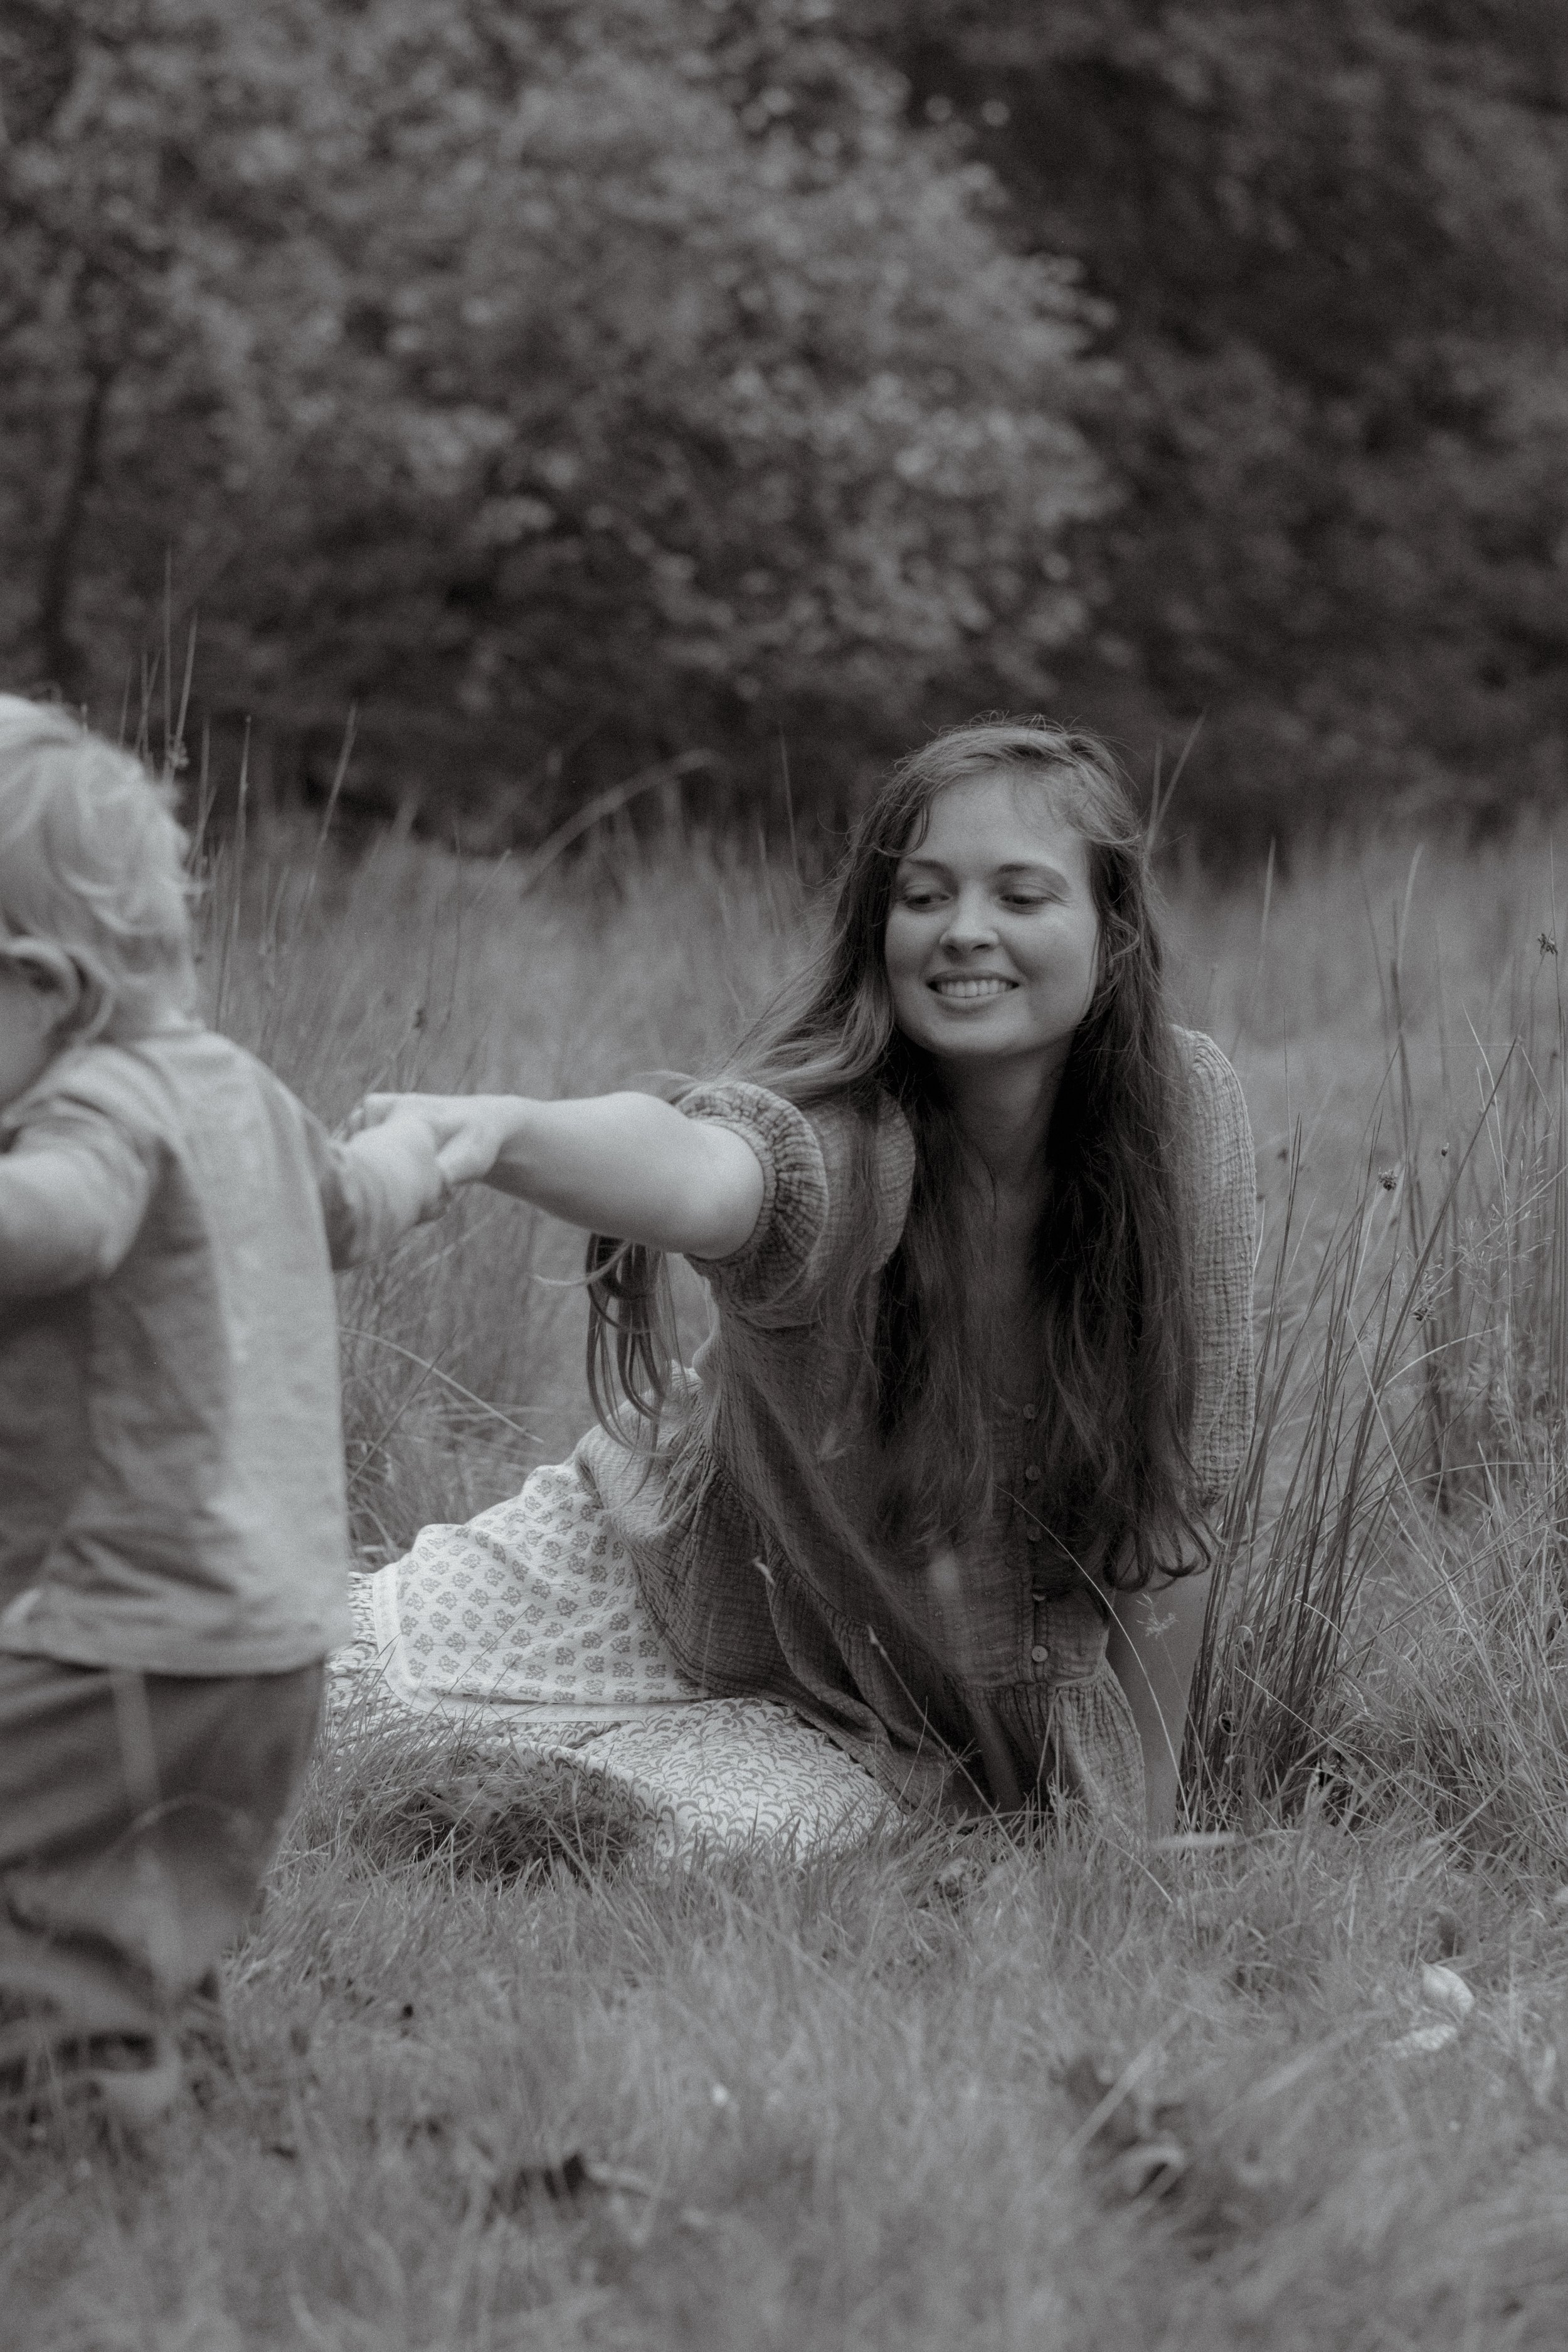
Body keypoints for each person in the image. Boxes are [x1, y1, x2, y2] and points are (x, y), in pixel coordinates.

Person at [353, 719, 1256, 1848]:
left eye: (1022, 896)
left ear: (1112, 928)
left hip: (867, 1729)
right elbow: (703, 1168)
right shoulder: (847, 1143)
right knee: (291, 1697)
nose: (965, 931)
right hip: (638, 1590)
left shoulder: (1181, 1115)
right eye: (923, 895)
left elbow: (1172, 1511)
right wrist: (496, 1132)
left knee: (761, 1843)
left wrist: (1143, 1833)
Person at [0, 696, 450, 2126]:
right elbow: (356, 1209)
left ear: (37, 986)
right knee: (139, 1875)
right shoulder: (239, 1090)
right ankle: (172, 2049)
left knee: (39, 1888)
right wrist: (422, 1147)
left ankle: (84, 2111)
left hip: (117, 1632)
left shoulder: (98, 1112)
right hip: (269, 1647)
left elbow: (59, 1227)